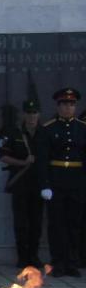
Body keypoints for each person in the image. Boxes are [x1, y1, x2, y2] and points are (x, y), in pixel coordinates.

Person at [35, 88, 85, 277]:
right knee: (57, 224)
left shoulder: (82, 128)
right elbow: (42, 160)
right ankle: (58, 262)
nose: (68, 107)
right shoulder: (48, 129)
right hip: (56, 181)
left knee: (74, 223)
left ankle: (72, 262)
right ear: (58, 106)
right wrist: (45, 184)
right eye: (64, 104)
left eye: (71, 104)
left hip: (77, 181)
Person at [0, 100, 44, 268]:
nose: (31, 116)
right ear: (24, 115)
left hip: (39, 184)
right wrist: (22, 162)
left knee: (36, 222)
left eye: (34, 113)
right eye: (29, 113)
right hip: (20, 183)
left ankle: (34, 256)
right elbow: (2, 156)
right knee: (21, 222)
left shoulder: (44, 133)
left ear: (38, 114)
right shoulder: (14, 133)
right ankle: (22, 257)